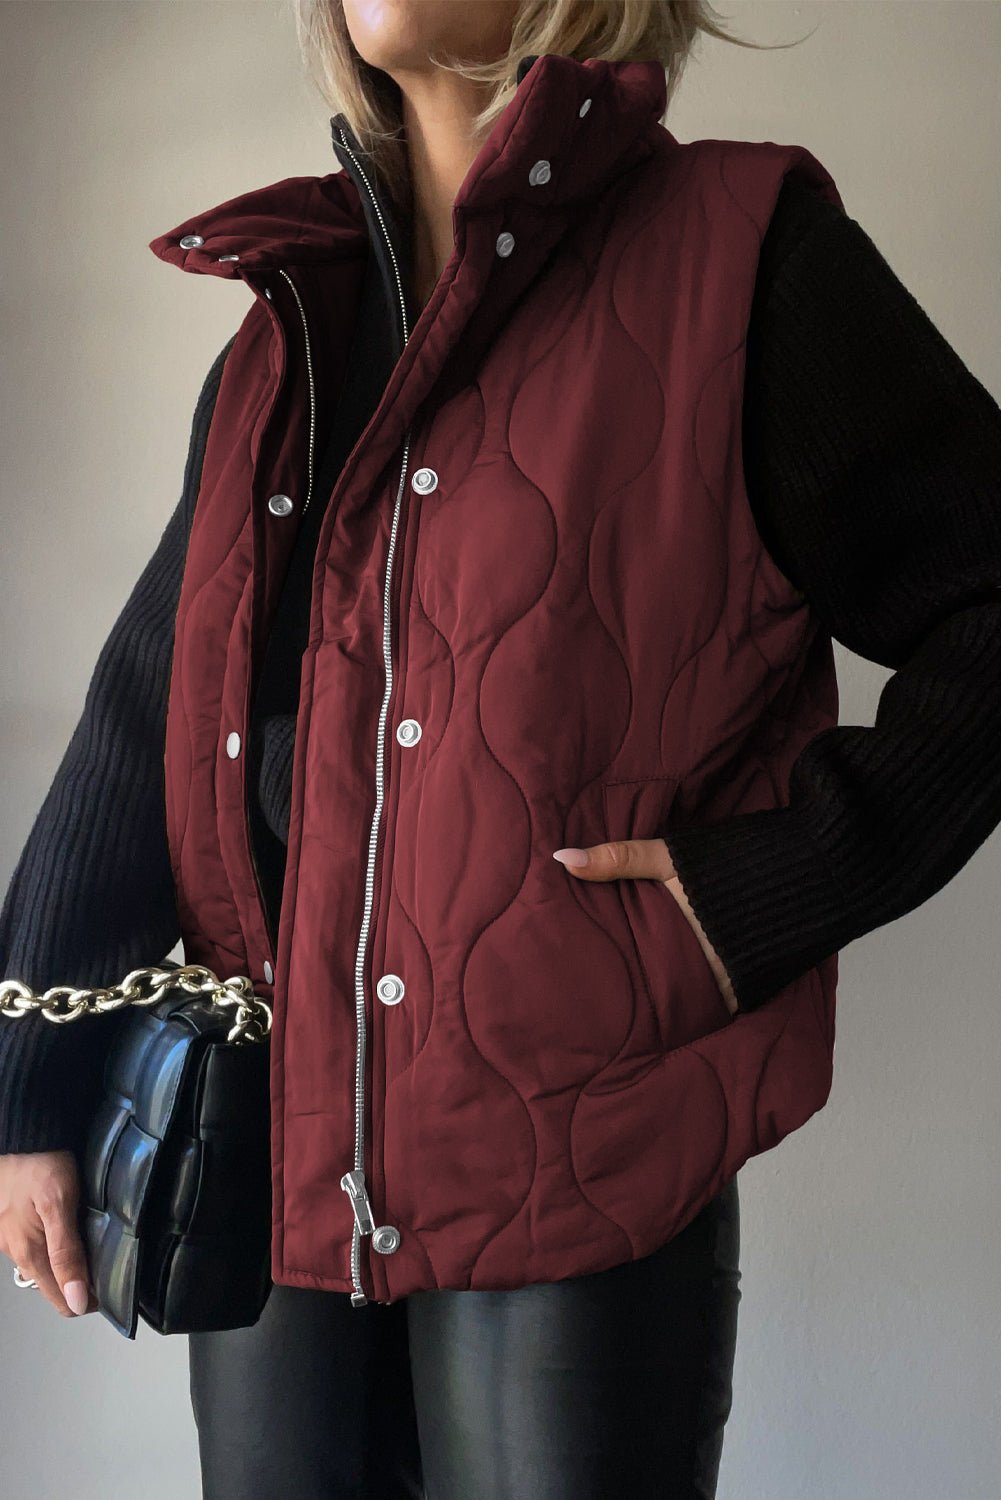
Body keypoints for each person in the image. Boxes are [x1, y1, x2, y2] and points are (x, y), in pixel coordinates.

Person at [3, 2, 1001, 1496]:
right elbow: (156, 699)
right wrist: (33, 1076)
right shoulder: (290, 319)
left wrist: (756, 895)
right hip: (273, 1155)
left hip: (581, 1145)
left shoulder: (739, 255)